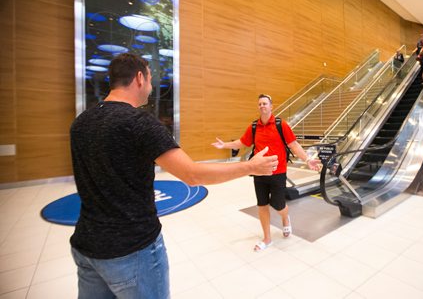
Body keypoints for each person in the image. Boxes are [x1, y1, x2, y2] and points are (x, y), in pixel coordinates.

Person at [69, 53, 278, 299]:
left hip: (86, 246)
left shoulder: (81, 123)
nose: (151, 85)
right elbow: (192, 174)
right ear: (139, 78)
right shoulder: (139, 123)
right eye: (149, 78)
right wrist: (249, 167)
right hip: (132, 249)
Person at [212, 94, 321, 251]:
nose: (262, 106)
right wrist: (224, 146)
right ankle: (267, 238)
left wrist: (307, 159)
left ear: (271, 106)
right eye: (260, 104)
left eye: (265, 103)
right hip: (259, 172)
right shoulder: (254, 127)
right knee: (262, 205)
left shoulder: (281, 125)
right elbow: (242, 142)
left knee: (278, 205)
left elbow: (294, 145)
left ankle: (285, 218)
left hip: (278, 172)